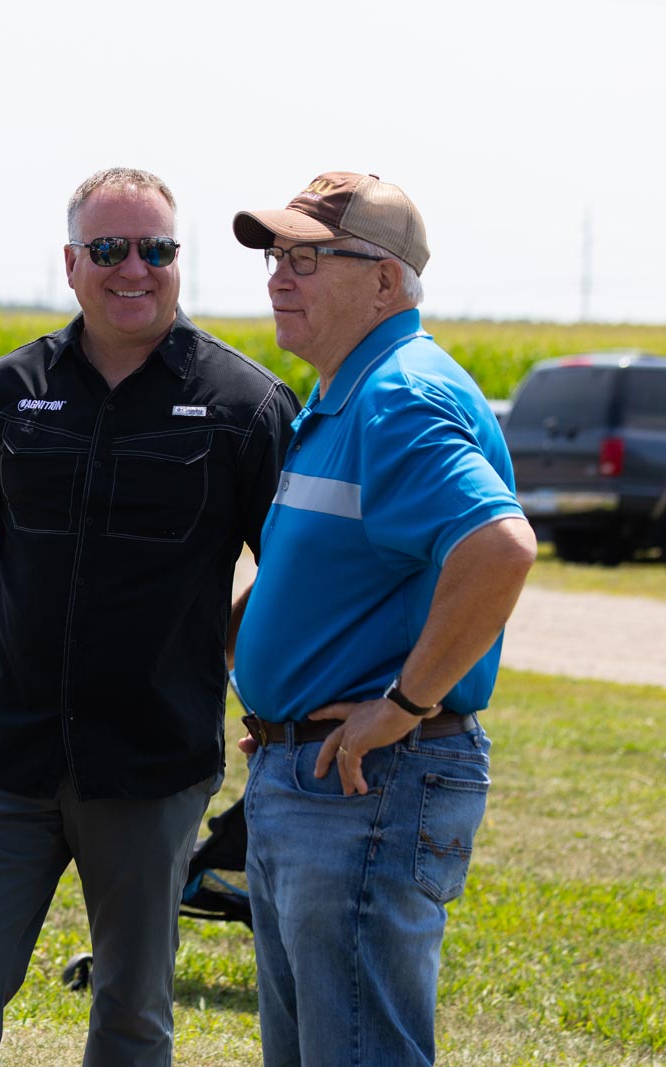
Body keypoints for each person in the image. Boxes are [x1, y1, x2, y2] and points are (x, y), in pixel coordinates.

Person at [0, 167, 299, 1067]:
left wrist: (207, 645)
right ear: (71, 262)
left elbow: (291, 572)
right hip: (8, 753)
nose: (136, 269)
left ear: (177, 262)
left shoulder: (246, 406)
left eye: (157, 249)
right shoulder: (9, 391)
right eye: (111, 249)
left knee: (132, 1007)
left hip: (153, 763)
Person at [229, 172, 537, 1066]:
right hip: (309, 776)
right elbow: (327, 574)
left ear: (385, 281)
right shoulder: (343, 395)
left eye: (309, 258)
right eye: (278, 257)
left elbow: (499, 548)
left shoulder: (397, 397)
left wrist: (395, 706)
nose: (280, 277)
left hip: (368, 786)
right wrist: (279, 691)